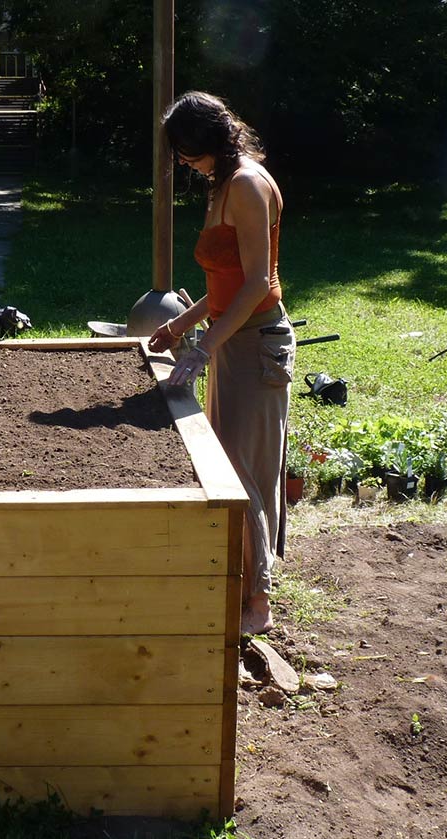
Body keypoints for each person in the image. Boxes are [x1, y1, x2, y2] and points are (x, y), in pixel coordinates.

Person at [147, 91, 295, 636]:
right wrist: (180, 326)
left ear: (208, 141)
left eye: (186, 152)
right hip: (233, 340)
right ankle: (241, 579)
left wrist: (204, 347)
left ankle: (259, 599)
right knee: (227, 465)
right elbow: (224, 284)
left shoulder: (249, 185)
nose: (183, 163)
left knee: (245, 473)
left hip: (258, 346)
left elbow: (257, 282)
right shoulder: (221, 186)